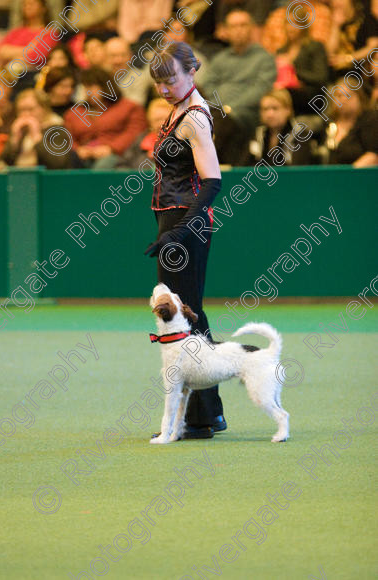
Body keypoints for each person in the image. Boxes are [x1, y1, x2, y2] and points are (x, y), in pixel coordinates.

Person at [144, 41, 226, 440]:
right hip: (176, 221)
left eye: (170, 79)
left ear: (192, 72)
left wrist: (180, 229)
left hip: (185, 223)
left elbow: (212, 182)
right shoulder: (179, 108)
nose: (163, 88)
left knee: (183, 316)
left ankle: (203, 416)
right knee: (189, 312)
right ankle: (207, 413)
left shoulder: (193, 116)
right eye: (158, 82)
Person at [201, 9, 276, 165]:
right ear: (226, 31)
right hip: (219, 112)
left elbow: (261, 90)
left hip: (248, 113)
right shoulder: (220, 59)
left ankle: (202, 167)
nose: (239, 30)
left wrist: (230, 108)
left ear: (252, 29)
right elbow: (207, 86)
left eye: (243, 25)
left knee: (220, 123)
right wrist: (222, 107)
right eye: (234, 26)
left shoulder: (264, 58)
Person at [64, 67, 147, 169]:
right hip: (82, 156)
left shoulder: (130, 108)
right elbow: (68, 136)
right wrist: (78, 150)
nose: (88, 92)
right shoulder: (75, 112)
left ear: (106, 86)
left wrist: (111, 148)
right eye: (85, 87)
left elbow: (134, 133)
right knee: (69, 160)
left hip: (117, 155)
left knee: (104, 165)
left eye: (92, 87)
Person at [0, 88, 73, 169]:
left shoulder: (57, 130)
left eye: (31, 109)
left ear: (44, 109)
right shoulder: (21, 131)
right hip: (20, 179)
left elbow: (58, 163)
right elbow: (2, 164)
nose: (25, 114)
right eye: (21, 110)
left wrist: (36, 137)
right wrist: (14, 140)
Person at [243, 88, 316, 166]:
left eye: (275, 108)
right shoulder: (258, 134)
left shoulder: (301, 134)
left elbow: (297, 168)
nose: (269, 114)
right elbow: (245, 166)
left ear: (288, 110)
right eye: (265, 109)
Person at [275, 11, 329, 115]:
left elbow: (321, 77)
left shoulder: (315, 46)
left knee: (281, 95)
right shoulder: (281, 51)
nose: (291, 27)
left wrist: (292, 69)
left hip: (310, 96)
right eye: (288, 23)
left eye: (296, 23)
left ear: (304, 25)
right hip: (285, 93)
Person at [319, 82, 378, 166]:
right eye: (339, 96)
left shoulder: (370, 120)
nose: (343, 100)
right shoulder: (328, 123)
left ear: (359, 98)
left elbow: (373, 155)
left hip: (359, 175)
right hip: (331, 175)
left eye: (348, 95)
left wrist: (349, 174)